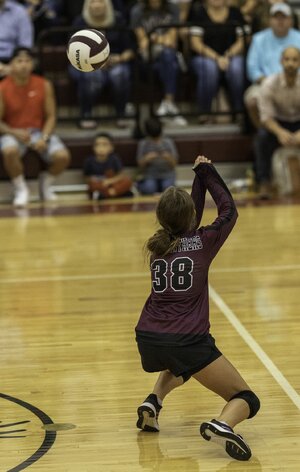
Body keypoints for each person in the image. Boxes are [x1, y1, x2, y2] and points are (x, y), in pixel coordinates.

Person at [135, 155, 260, 461]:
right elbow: (229, 211)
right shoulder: (203, 242)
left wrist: (199, 179)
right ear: (191, 217)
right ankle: (223, 424)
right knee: (246, 398)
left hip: (148, 337)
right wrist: (207, 171)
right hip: (187, 339)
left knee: (179, 366)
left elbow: (185, 222)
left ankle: (153, 402)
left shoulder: (157, 247)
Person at [0, 47, 70, 207]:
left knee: (62, 157)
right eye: (19, 61)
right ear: (11, 64)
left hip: (39, 131)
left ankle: (46, 183)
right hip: (13, 131)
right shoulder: (2, 87)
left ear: (33, 64)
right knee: (9, 150)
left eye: (27, 61)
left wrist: (44, 137)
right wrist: (14, 132)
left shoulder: (44, 84)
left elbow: (51, 116)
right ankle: (20, 188)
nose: (24, 65)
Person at [69, 0, 135, 129]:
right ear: (88, 5)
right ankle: (86, 113)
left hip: (115, 61)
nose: (97, 5)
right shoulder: (80, 22)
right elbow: (73, 51)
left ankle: (121, 113)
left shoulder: (118, 19)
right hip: (85, 62)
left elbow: (130, 49)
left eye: (101, 1)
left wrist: (121, 58)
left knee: (120, 74)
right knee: (93, 76)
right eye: (93, 1)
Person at [188, 0, 247, 123]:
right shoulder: (199, 14)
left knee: (237, 68)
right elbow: (195, 43)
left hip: (231, 55)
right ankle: (205, 112)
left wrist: (227, 56)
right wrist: (216, 58)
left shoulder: (236, 13)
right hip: (204, 56)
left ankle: (239, 111)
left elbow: (242, 40)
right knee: (209, 68)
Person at [130, 0, 187, 125]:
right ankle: (169, 106)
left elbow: (172, 41)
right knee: (171, 62)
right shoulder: (137, 11)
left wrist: (154, 38)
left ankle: (167, 104)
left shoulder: (173, 8)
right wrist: (161, 40)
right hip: (147, 58)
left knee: (169, 59)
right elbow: (143, 43)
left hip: (167, 56)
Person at [245, 2, 300, 129]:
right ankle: (264, 132)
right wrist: (270, 83)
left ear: (291, 20)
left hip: (296, 83)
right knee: (252, 99)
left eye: (284, 17)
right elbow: (252, 68)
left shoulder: (299, 37)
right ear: (270, 20)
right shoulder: (258, 39)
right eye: (276, 17)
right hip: (265, 85)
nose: (280, 21)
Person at [254, 46, 300, 198]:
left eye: (294, 60)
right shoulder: (269, 84)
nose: (290, 63)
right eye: (287, 59)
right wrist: (280, 132)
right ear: (281, 61)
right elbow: (266, 117)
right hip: (278, 123)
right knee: (261, 138)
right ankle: (264, 182)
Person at [83, 132, 133, 199]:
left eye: (104, 145)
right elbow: (86, 177)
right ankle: (116, 193)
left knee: (127, 181)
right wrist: (94, 180)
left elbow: (120, 175)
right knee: (92, 185)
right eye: (97, 145)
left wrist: (110, 181)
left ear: (111, 147)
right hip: (100, 184)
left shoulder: (114, 159)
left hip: (112, 182)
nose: (101, 148)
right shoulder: (89, 160)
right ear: (93, 147)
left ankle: (108, 194)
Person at [136, 117, 178, 195]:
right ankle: (139, 185)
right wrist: (146, 159)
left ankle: (160, 187)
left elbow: (174, 164)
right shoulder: (143, 143)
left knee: (168, 190)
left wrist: (169, 158)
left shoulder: (168, 142)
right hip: (150, 175)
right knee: (149, 189)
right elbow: (140, 166)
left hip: (167, 174)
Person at [0, 0, 33, 77]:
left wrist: (12, 67)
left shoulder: (19, 11)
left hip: (13, 60)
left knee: (24, 67)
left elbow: (25, 46)